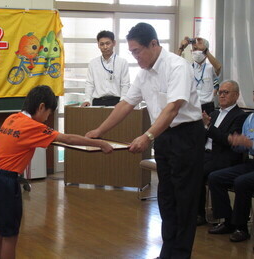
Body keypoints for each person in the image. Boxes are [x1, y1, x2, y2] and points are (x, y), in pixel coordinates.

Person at [86, 23, 204, 259]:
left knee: (184, 201)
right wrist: (99, 131)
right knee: (166, 199)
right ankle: (167, 253)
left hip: (186, 136)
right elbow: (126, 104)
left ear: (153, 44)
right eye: (131, 53)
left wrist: (148, 136)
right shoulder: (144, 73)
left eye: (137, 51)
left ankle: (180, 255)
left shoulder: (176, 66)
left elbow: (172, 109)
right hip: (164, 137)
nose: (135, 57)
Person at [0, 85, 113, 259]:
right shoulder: (32, 126)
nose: (47, 119)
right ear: (41, 107)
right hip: (5, 182)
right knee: (10, 235)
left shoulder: (12, 118)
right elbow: (67, 138)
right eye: (48, 113)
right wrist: (101, 143)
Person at [197, 80, 248, 226]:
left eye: (226, 92)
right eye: (220, 92)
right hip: (206, 154)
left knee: (198, 171)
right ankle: (190, 211)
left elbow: (228, 140)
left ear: (236, 95)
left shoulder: (240, 116)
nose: (222, 95)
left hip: (224, 157)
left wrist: (208, 126)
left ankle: (203, 214)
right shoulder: (214, 113)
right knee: (187, 165)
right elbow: (204, 135)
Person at [207, 112, 254, 242]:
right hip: (250, 162)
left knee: (242, 182)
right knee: (215, 177)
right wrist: (237, 143)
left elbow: (250, 144)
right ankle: (228, 221)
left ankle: (241, 228)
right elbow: (241, 148)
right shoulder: (250, 118)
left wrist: (250, 144)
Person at [81, 30, 130, 107]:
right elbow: (89, 83)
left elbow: (125, 84)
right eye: (102, 44)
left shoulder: (122, 62)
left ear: (114, 43)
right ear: (98, 45)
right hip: (97, 102)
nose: (105, 47)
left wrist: (122, 101)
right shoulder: (93, 63)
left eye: (108, 43)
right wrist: (87, 99)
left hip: (116, 101)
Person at [178, 36, 222, 115]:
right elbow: (174, 64)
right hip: (191, 106)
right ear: (191, 51)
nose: (197, 52)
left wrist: (205, 50)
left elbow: (218, 67)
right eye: (194, 50)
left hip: (208, 107)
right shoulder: (187, 67)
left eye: (199, 50)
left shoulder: (210, 68)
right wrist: (181, 48)